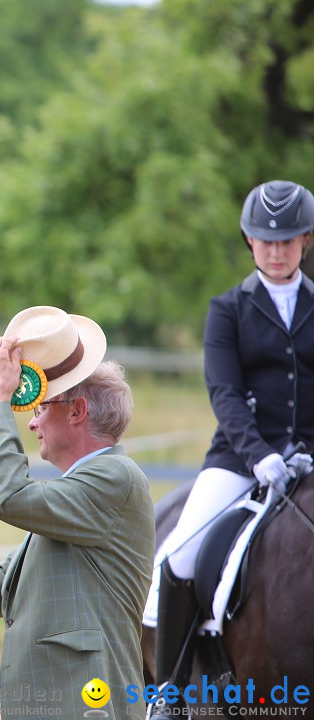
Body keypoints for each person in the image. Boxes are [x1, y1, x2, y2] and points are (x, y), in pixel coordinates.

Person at [142, 180, 314, 717]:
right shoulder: (228, 310)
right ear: (248, 241)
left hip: (311, 458)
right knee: (179, 558)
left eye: (287, 240)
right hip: (242, 460)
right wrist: (260, 454)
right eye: (266, 240)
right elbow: (224, 392)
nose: (277, 250)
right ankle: (167, 696)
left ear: (306, 240)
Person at [0, 306, 155, 719]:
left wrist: (0, 403)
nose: (32, 424)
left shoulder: (115, 477)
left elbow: (8, 496)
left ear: (77, 411)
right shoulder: (78, 493)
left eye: (38, 408)